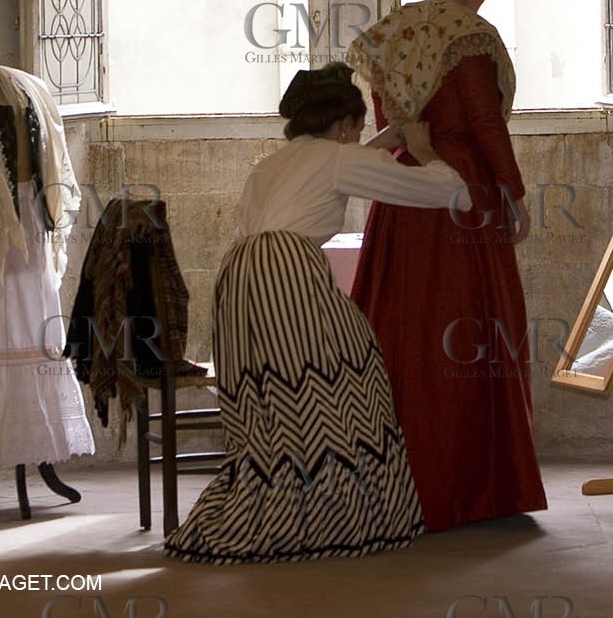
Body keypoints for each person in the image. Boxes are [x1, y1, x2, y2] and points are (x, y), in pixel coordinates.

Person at [165, 62, 473, 564]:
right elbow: (447, 191)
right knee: (348, 382)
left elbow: (338, 165)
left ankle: (281, 503)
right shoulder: (337, 159)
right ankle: (334, 513)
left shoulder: (276, 162)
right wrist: (423, 151)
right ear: (345, 124)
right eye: (358, 128)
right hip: (287, 272)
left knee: (272, 401)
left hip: (238, 277)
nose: (361, 136)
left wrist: (386, 139)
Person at [345, 0, 548, 532]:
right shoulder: (471, 34)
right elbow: (486, 125)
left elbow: (394, 123)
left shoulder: (390, 33)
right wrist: (513, 193)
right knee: (472, 336)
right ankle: (471, 487)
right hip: (462, 195)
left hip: (404, 193)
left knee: (403, 327)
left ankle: (391, 488)